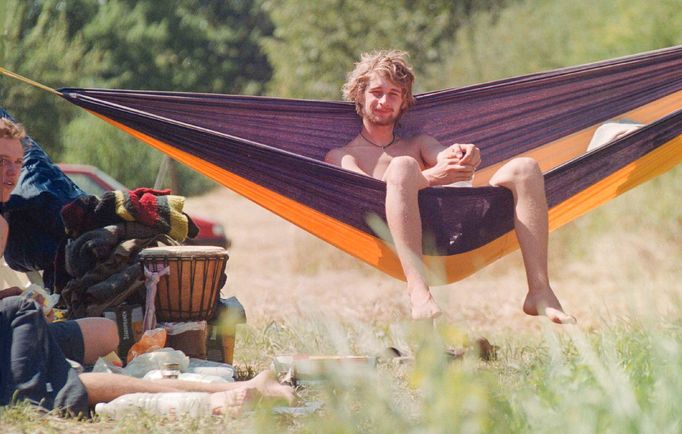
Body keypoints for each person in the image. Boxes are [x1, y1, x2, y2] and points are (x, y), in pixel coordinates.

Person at [0, 118, 294, 417]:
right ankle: (221, 395)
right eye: (2, 162)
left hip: (14, 325)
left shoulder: (3, 223)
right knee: (76, 385)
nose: (12, 173)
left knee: (106, 332)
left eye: (17, 163)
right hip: (9, 337)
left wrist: (20, 299)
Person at [325, 51, 576, 324]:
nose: (384, 101)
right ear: (359, 95)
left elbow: (446, 156)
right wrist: (432, 176)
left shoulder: (418, 143)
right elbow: (368, 194)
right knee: (402, 166)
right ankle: (418, 291)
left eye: (394, 94)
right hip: (394, 238)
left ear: (404, 102)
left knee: (525, 168)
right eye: (376, 92)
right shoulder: (342, 156)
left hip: (455, 232)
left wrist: (465, 154)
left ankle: (540, 291)